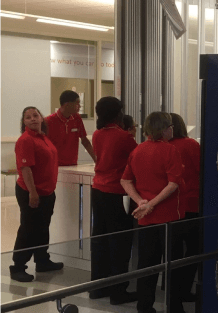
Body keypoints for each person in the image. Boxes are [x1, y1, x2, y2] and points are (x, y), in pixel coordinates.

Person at [121, 112, 186, 313]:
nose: (172, 130)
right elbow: (173, 183)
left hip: (145, 218)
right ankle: (174, 306)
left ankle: (145, 306)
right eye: (170, 127)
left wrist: (141, 201)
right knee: (172, 264)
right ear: (164, 129)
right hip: (168, 216)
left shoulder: (138, 150)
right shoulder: (170, 150)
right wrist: (152, 204)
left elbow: (125, 180)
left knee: (147, 265)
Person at [89, 97, 138, 304]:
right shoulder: (123, 137)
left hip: (98, 190)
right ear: (118, 113)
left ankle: (97, 288)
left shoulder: (98, 134)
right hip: (117, 193)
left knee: (99, 240)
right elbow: (138, 159)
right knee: (119, 242)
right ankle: (119, 291)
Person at [10, 107, 64, 282]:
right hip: (31, 192)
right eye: (28, 117)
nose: (33, 119)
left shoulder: (44, 138)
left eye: (35, 115)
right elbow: (26, 169)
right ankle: (18, 266)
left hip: (47, 192)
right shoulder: (25, 140)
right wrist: (33, 193)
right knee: (28, 229)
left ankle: (42, 260)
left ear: (41, 118)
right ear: (24, 122)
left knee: (42, 228)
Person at [169, 113, 200, 302]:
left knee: (173, 252)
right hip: (192, 203)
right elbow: (202, 169)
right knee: (194, 249)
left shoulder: (163, 147)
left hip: (170, 206)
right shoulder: (191, 145)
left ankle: (173, 293)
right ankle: (183, 289)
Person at [46, 90, 96, 166]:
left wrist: (96, 160)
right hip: (54, 165)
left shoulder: (77, 118)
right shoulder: (49, 121)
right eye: (77, 103)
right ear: (67, 104)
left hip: (73, 164)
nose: (80, 106)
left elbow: (85, 141)